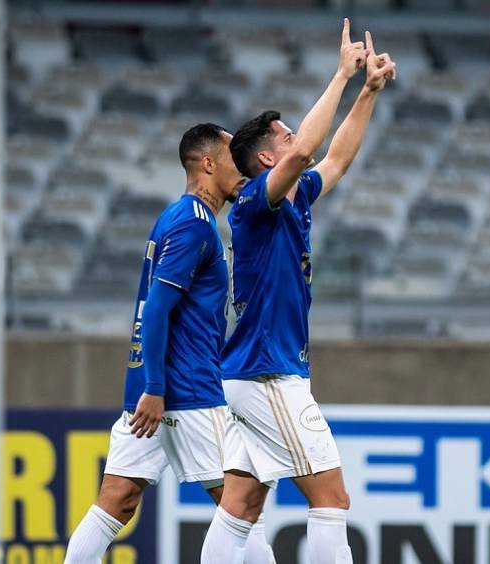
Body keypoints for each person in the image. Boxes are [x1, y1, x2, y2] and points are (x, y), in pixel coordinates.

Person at [200, 27, 397, 564]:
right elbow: (311, 148)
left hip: (255, 372)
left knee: (241, 504)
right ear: (267, 160)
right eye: (284, 138)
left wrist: (368, 92)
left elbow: (334, 160)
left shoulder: (294, 197)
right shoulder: (252, 207)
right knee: (331, 496)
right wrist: (340, 74)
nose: (296, 141)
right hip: (268, 374)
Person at [65, 123, 275, 563]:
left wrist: (150, 385)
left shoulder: (177, 218)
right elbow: (156, 308)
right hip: (187, 390)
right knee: (240, 506)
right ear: (208, 163)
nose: (244, 166)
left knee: (117, 500)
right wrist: (156, 387)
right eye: (233, 157)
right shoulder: (193, 225)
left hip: (156, 390)